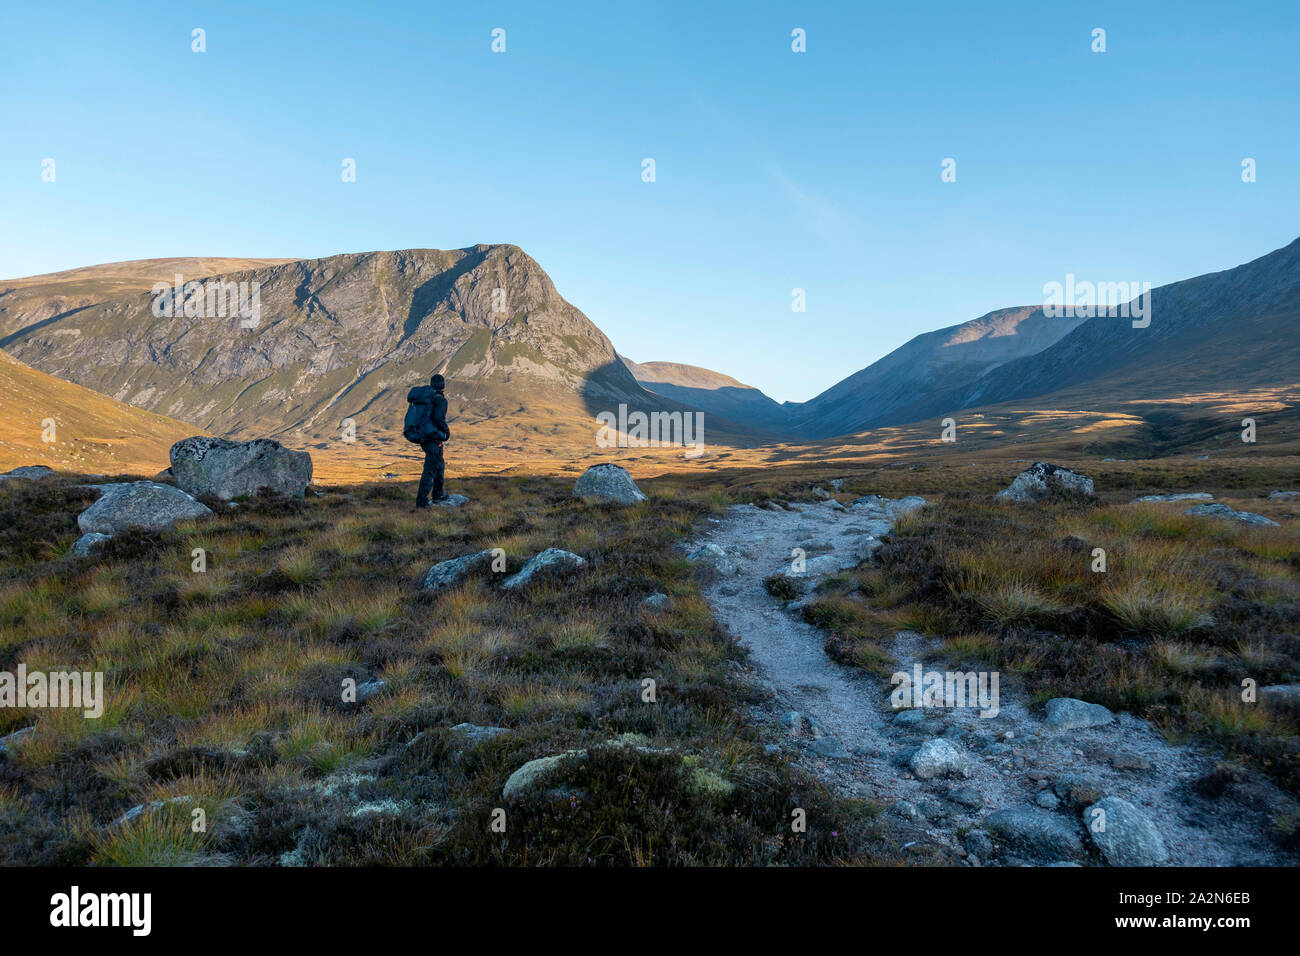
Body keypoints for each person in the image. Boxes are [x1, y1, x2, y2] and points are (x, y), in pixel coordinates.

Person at [406, 373, 450, 508]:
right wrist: (446, 432)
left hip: (423, 435)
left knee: (439, 464)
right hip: (432, 436)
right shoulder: (440, 400)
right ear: (442, 385)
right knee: (430, 469)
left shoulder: (423, 398)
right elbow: (439, 419)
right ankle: (422, 502)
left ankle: (438, 494)